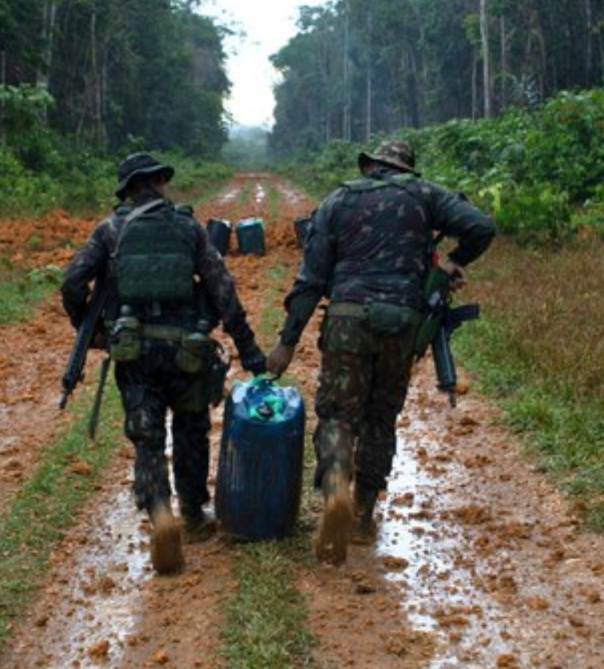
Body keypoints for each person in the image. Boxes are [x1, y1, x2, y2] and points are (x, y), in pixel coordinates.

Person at [266, 140, 495, 564]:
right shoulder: (426, 195)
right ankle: (363, 512)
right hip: (402, 323)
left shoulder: (337, 200)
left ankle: (335, 483)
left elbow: (311, 278)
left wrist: (287, 342)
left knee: (337, 413)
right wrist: (451, 261)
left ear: (370, 166)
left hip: (347, 319)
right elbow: (481, 226)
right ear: (407, 169)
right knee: (380, 416)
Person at [62, 152, 269, 575]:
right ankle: (192, 515)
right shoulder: (188, 227)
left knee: (147, 434)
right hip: (187, 350)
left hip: (134, 352)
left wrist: (91, 328)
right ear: (159, 181)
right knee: (191, 428)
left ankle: (159, 513)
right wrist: (249, 351)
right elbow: (222, 288)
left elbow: (71, 281)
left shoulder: (110, 231)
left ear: (126, 189)